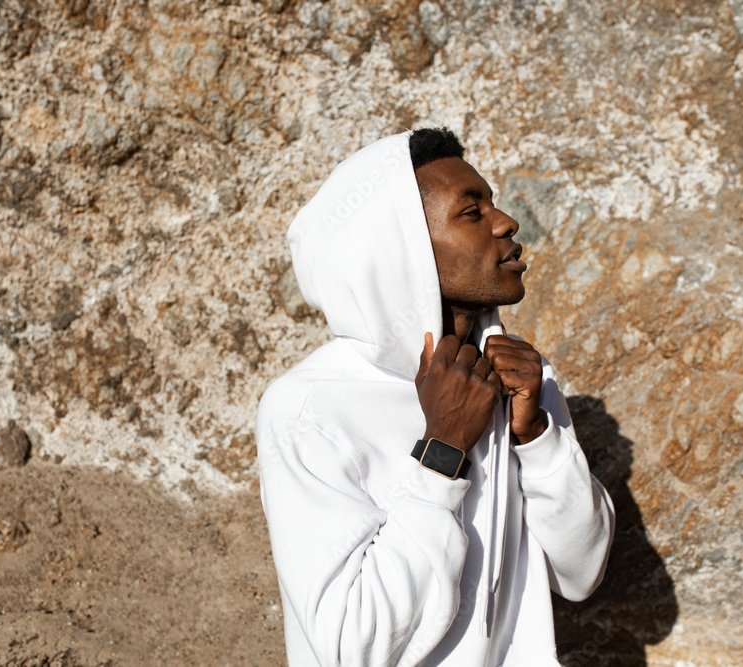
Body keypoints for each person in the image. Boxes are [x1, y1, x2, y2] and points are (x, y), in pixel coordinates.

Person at [256, 127, 615, 666]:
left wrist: (536, 438)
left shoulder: (521, 380)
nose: (506, 222)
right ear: (402, 249)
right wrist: (443, 448)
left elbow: (581, 573)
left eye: (493, 203)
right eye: (472, 213)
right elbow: (352, 646)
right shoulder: (309, 409)